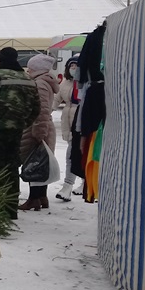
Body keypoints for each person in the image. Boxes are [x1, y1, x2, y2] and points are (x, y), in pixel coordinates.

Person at [0, 47, 40, 220]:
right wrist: (23, 123)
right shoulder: (27, 78)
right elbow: (36, 108)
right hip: (16, 131)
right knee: (12, 168)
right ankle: (11, 209)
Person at [18, 54, 60, 211]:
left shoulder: (40, 83)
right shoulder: (44, 81)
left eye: (31, 67)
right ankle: (42, 196)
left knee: (34, 162)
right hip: (43, 126)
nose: (28, 70)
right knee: (42, 161)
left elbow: (41, 110)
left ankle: (34, 199)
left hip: (38, 128)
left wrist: (39, 132)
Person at [53, 57, 83, 201]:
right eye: (71, 65)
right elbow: (56, 98)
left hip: (83, 121)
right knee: (75, 153)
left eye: (77, 65)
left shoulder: (86, 83)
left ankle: (68, 185)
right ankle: (81, 183)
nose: (74, 68)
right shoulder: (66, 83)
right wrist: (46, 112)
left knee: (73, 154)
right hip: (68, 121)